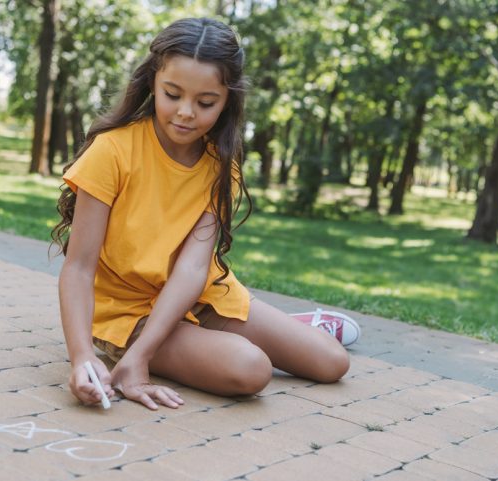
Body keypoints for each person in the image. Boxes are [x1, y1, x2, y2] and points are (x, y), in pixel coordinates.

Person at [51, 17, 355, 411]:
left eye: (205, 102)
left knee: (333, 362)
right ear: (151, 84)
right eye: (172, 94)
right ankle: (195, 343)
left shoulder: (220, 163)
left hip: (197, 296)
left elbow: (193, 269)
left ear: (227, 100)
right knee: (250, 369)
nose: (185, 113)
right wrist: (83, 358)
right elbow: (78, 268)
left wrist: (143, 359)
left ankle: (286, 328)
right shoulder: (112, 151)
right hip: (128, 312)